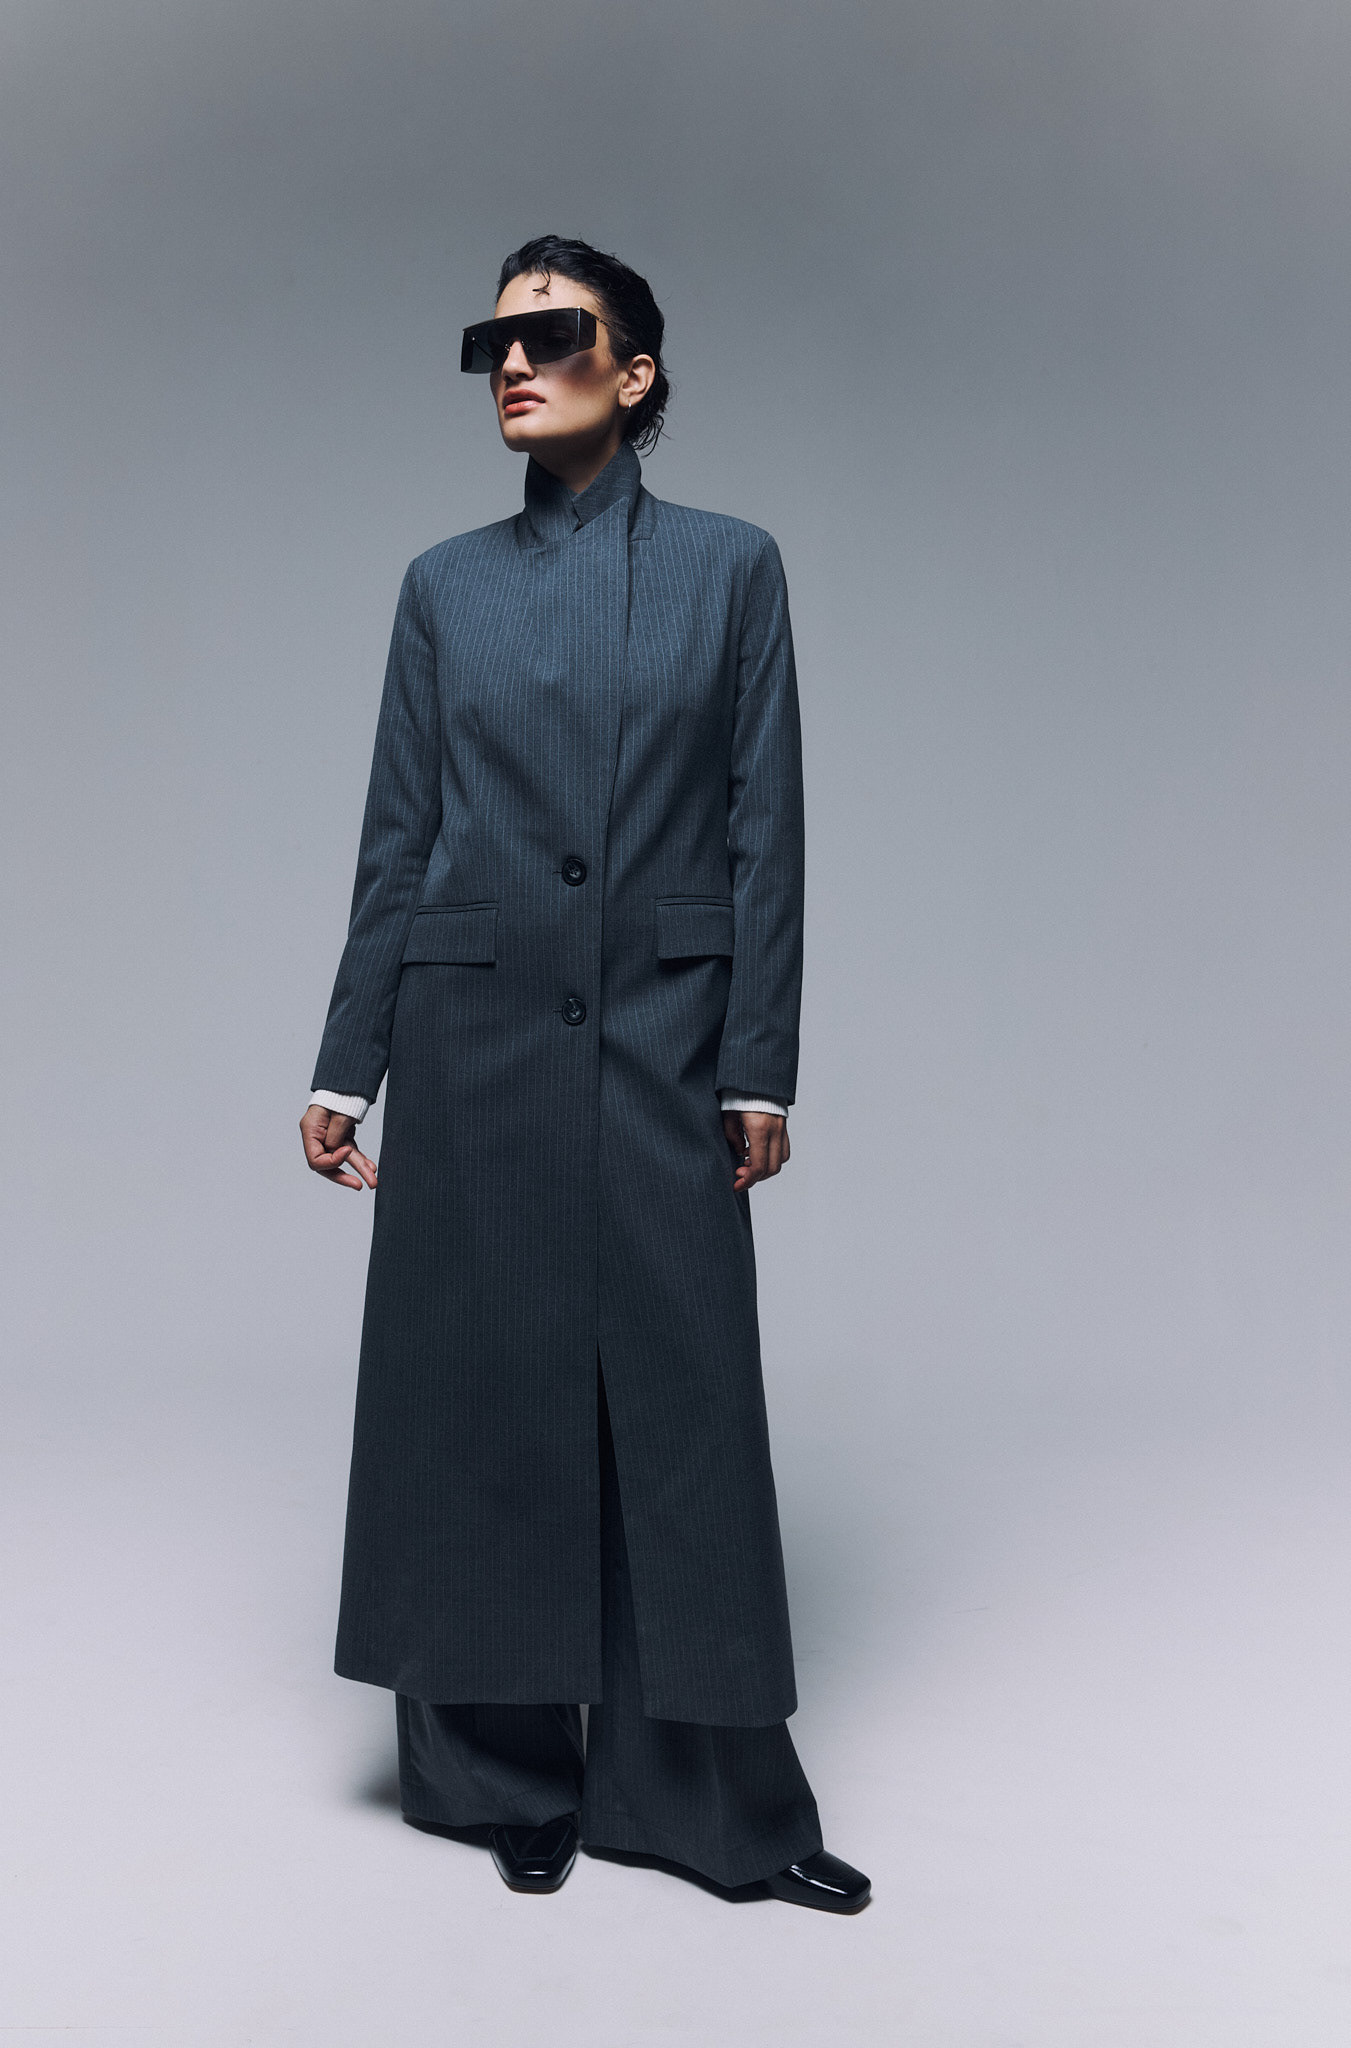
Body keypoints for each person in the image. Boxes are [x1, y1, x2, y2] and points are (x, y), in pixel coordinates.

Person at [299, 235, 868, 1912]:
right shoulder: (442, 587)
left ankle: (712, 1807)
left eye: (554, 334)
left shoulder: (731, 568)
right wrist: (346, 1062)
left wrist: (760, 1065)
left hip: (661, 1040)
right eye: (494, 339)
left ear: (634, 372)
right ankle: (499, 1784)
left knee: (681, 1415)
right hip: (469, 1040)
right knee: (473, 1401)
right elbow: (398, 839)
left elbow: (768, 832)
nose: (514, 361)